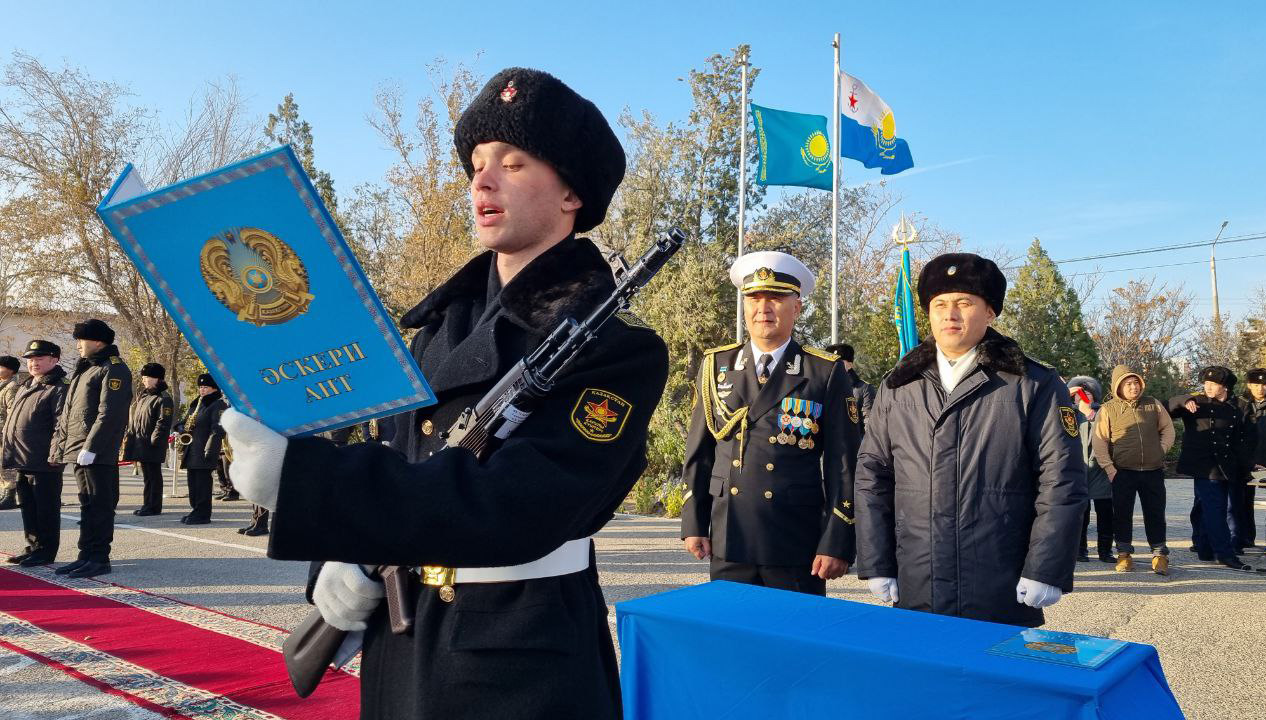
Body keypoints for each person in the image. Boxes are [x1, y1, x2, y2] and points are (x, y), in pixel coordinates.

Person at [222, 67, 669, 719]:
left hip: (512, 665)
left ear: (572, 192)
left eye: (512, 164)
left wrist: (308, 483)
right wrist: (339, 560)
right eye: (477, 165)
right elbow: (390, 456)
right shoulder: (437, 325)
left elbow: (513, 505)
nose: (482, 182)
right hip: (404, 638)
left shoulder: (616, 347)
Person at [855, 253, 1086, 628]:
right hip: (918, 580)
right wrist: (876, 561)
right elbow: (872, 476)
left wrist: (1046, 568)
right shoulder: (899, 386)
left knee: (998, 683)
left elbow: (1061, 479)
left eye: (964, 303)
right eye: (940, 304)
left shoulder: (1032, 383)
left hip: (1000, 581)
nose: (950, 315)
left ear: (990, 311)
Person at [680, 251, 859, 596]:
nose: (763, 308)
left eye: (776, 298)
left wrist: (837, 538)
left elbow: (844, 464)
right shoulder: (717, 365)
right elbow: (699, 452)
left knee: (792, 642)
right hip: (730, 533)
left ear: (798, 307)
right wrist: (693, 520)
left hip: (795, 540)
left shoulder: (823, 371)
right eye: (754, 299)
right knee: (731, 641)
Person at [49, 319, 132, 579]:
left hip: (98, 451)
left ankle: (99, 558)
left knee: (100, 504)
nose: (78, 346)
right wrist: (61, 448)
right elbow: (69, 413)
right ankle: (85, 555)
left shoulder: (114, 368)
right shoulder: (85, 369)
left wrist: (92, 446)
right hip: (79, 448)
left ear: (97, 341)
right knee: (87, 504)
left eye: (81, 340)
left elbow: (111, 413)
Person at [1169, 366, 1258, 571]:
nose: (1207, 387)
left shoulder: (1241, 406)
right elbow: (1167, 407)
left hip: (1230, 465)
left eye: (1213, 384)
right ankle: (1224, 553)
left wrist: (1246, 463)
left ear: (1224, 386)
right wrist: (1183, 400)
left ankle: (1205, 548)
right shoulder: (1196, 401)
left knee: (1209, 508)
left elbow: (1249, 438)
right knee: (1215, 509)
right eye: (1205, 383)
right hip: (1204, 466)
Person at [1091, 365, 1175, 574]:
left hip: (1153, 471)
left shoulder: (1153, 404)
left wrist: (1160, 450)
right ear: (1118, 386)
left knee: (1155, 513)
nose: (1133, 387)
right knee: (1122, 514)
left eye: (1136, 382)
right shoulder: (1108, 409)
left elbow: (1168, 429)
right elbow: (1099, 440)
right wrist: (1109, 468)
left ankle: (1159, 555)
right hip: (1122, 471)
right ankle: (1124, 554)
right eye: (1128, 383)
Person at [1, 341, 69, 565]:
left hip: (43, 461)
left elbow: (62, 425)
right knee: (29, 507)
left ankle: (46, 551)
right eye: (30, 359)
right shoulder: (28, 384)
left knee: (46, 509)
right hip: (23, 458)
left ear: (54, 360)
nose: (33, 363)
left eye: (39, 359)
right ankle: (32, 547)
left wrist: (55, 455)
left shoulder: (59, 387)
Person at [1067, 376, 1114, 563]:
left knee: (1106, 515)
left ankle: (1105, 551)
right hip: (1077, 471)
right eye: (1078, 394)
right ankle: (1080, 549)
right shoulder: (1067, 413)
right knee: (1080, 515)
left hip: (1102, 470)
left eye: (1087, 394)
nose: (1083, 398)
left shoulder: (1104, 413)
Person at [121, 363, 174, 516]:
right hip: (141, 442)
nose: (144, 380)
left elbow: (163, 422)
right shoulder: (144, 396)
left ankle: (154, 506)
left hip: (152, 444)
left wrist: (154, 440)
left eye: (147, 377)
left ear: (157, 378)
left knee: (154, 475)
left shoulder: (163, 398)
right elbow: (137, 419)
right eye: (143, 377)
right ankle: (147, 504)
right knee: (147, 476)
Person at [175, 374, 228, 525]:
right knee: (193, 483)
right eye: (200, 387)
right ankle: (195, 509)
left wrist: (210, 450)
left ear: (214, 388)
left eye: (205, 387)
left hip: (204, 450)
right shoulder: (197, 404)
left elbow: (217, 430)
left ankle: (203, 514)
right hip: (191, 449)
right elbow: (184, 421)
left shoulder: (218, 405)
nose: (202, 390)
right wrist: (180, 428)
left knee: (203, 484)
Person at [1237, 368, 1266, 551]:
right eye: (1256, 385)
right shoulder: (1239, 403)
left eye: (1264, 385)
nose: (1261, 389)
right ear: (1249, 385)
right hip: (1246, 461)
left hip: (1265, 459)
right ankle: (1245, 538)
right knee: (1243, 501)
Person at [824, 342, 874, 435]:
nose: (833, 366)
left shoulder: (863, 388)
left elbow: (869, 425)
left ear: (850, 364)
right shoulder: (821, 386)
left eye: (838, 363)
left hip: (853, 445)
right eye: (830, 362)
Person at [0, 355, 23, 510]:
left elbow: (12, 412)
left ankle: (9, 496)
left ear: (11, 370)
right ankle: (5, 493)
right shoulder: (3, 385)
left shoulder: (12, 387)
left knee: (6, 465)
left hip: (4, 432)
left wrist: (8, 433)